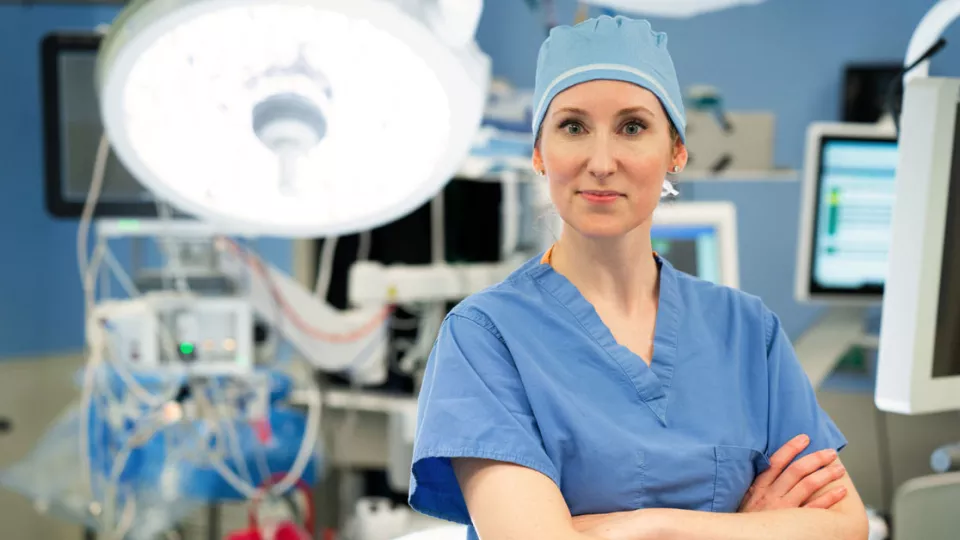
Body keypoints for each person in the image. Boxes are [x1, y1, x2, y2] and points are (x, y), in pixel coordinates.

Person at [408, 15, 868, 540]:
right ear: (539, 151)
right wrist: (746, 528)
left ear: (676, 150)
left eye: (632, 127)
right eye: (573, 127)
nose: (601, 162)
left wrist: (648, 527)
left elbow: (845, 524)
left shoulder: (747, 331)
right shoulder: (484, 336)